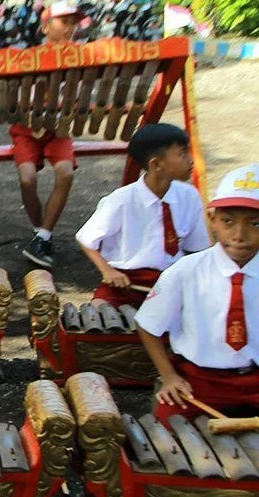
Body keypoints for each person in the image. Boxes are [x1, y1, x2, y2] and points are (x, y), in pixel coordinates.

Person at [137, 164, 259, 425]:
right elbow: (148, 325)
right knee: (167, 436)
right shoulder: (185, 271)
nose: (239, 235)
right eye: (228, 221)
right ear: (212, 219)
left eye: (255, 224)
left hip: (255, 379)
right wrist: (168, 376)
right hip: (200, 381)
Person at [76, 124, 209, 308]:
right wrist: (108, 271)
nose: (191, 160)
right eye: (182, 154)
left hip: (171, 283)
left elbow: (196, 250)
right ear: (156, 165)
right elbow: (85, 238)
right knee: (98, 317)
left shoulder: (190, 196)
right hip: (124, 285)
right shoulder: (121, 200)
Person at [14, 0, 82, 269]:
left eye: (72, 22)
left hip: (59, 129)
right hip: (27, 129)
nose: (69, 26)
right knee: (27, 178)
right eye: (63, 21)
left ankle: (44, 235)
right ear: (45, 26)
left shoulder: (82, 54)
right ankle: (39, 231)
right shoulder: (28, 57)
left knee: (65, 171)